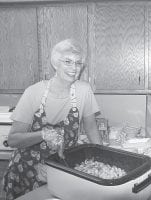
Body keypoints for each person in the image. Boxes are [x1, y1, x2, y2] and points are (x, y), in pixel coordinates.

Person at [3, 39, 102, 199]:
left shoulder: (84, 91)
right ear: (56, 64)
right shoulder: (33, 93)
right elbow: (13, 139)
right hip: (28, 169)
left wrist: (101, 157)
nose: (74, 68)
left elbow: (91, 128)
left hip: (61, 167)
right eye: (68, 62)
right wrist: (42, 134)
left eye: (78, 63)